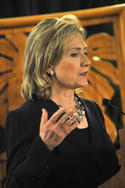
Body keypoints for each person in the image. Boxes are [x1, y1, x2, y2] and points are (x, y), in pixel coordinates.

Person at [6, 14, 120, 188]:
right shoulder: (24, 117)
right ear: (48, 65)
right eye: (75, 54)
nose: (87, 62)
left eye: (86, 53)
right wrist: (43, 147)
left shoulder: (93, 109)